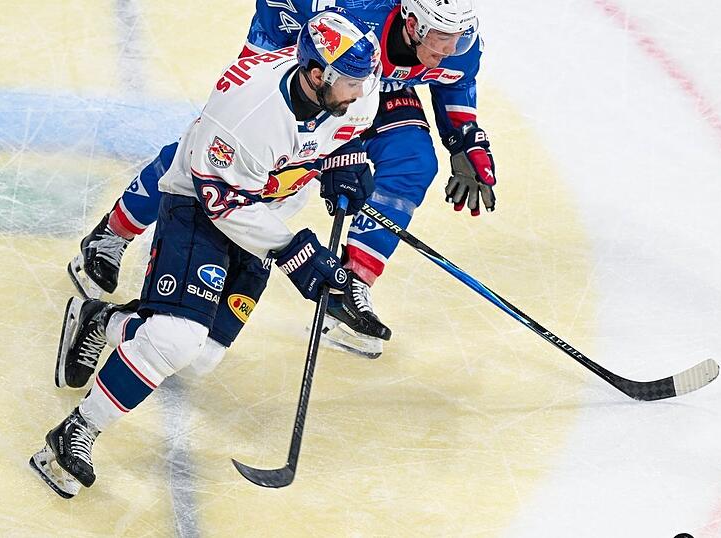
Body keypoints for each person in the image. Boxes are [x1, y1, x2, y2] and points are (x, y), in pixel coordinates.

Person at [31, 8, 382, 498]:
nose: (363, 91)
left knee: (198, 359)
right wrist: (296, 253)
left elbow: (347, 133)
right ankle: (74, 434)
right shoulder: (246, 114)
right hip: (201, 203)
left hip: (264, 208)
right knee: (176, 340)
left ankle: (101, 320)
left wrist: (346, 162)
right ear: (316, 74)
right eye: (351, 83)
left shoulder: (354, 84)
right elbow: (226, 207)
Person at [68, 0, 496, 359]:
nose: (452, 46)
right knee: (215, 149)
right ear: (412, 22)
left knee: (414, 161)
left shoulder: (453, 44)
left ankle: (346, 287)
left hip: (367, 86)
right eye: (441, 35)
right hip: (300, 54)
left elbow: (455, 80)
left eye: (458, 35)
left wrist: (465, 143)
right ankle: (112, 234)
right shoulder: (354, 10)